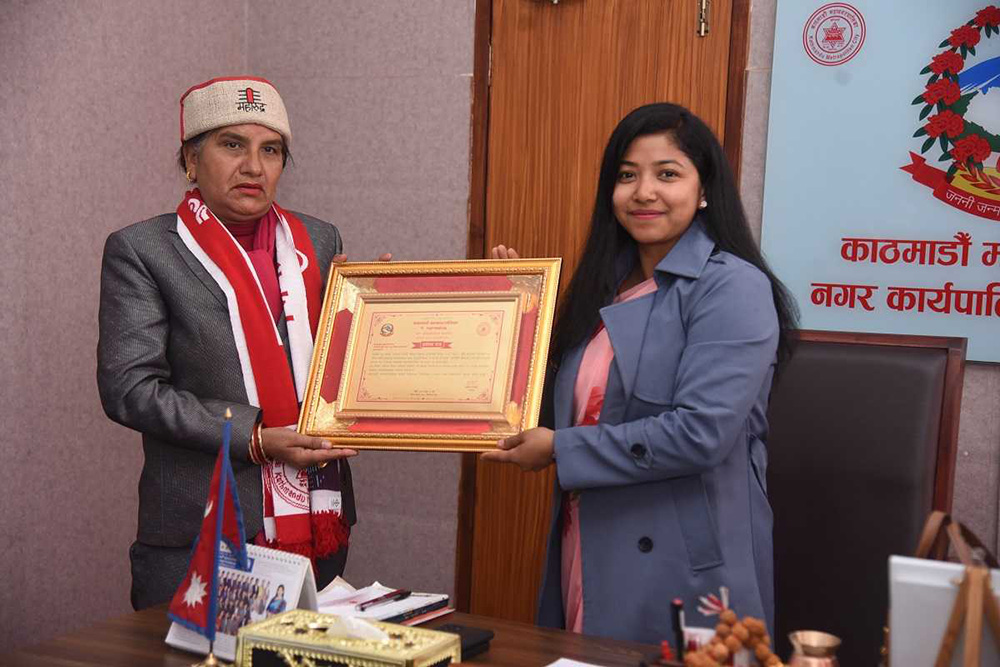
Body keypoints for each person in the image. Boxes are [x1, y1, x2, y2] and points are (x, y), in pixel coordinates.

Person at [483, 102, 797, 644]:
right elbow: (565, 410)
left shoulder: (732, 286)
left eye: (667, 174)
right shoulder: (601, 289)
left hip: (681, 561)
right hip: (591, 538)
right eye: (627, 175)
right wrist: (511, 319)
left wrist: (560, 449)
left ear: (704, 190)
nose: (644, 192)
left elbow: (699, 433)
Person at [98, 76, 373, 610]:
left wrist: (374, 314)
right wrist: (255, 437)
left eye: (271, 150)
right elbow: (129, 389)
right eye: (232, 145)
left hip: (316, 517)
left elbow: (334, 367)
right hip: (200, 529)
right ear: (191, 160)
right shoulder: (143, 250)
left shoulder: (319, 240)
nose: (253, 167)